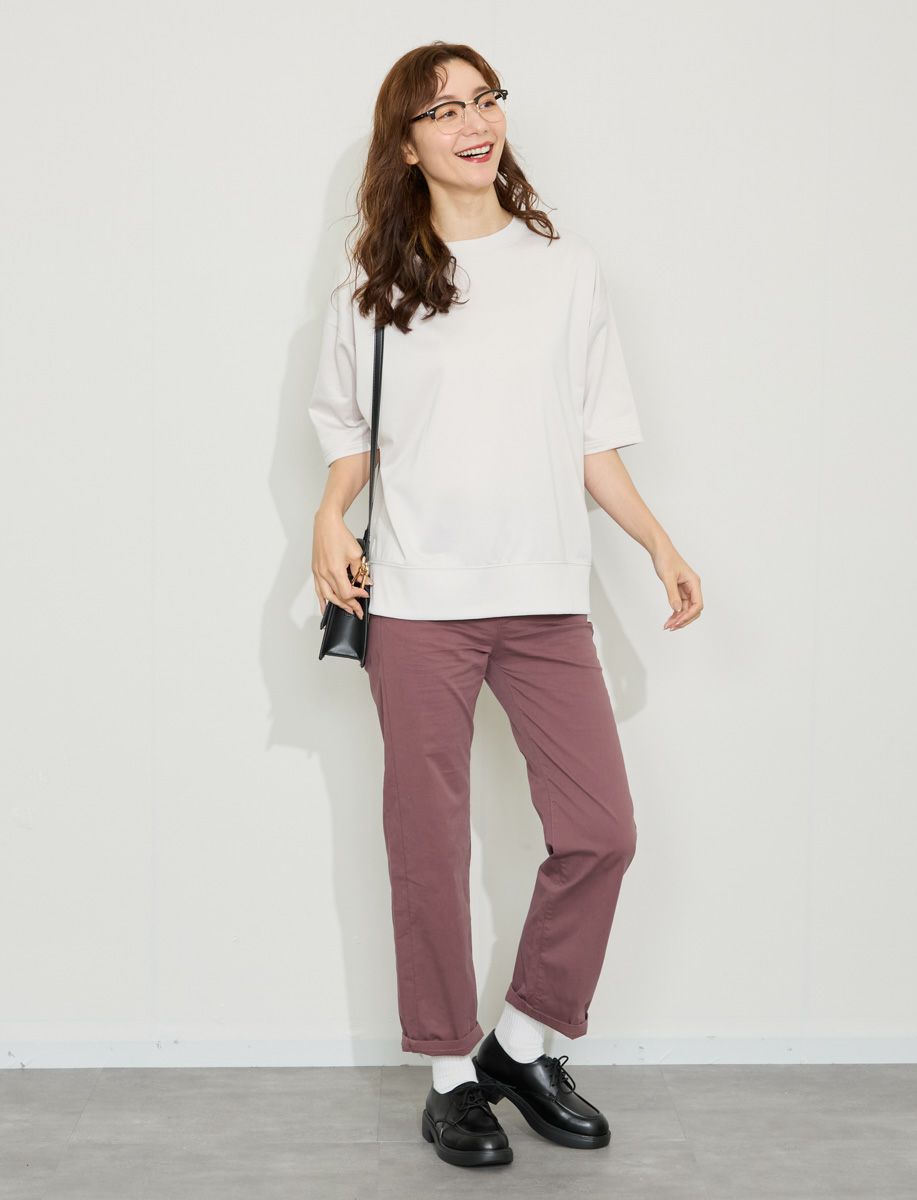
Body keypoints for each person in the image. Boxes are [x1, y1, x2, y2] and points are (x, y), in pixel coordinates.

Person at [309, 42, 703, 1170]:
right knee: (427, 847)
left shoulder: (565, 269)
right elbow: (351, 439)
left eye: (485, 101)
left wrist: (660, 542)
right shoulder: (374, 289)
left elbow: (594, 439)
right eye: (444, 110)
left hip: (544, 597)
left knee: (602, 832)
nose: (474, 123)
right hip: (417, 601)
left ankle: (521, 1043)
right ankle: (448, 1077)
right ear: (406, 144)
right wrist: (330, 517)